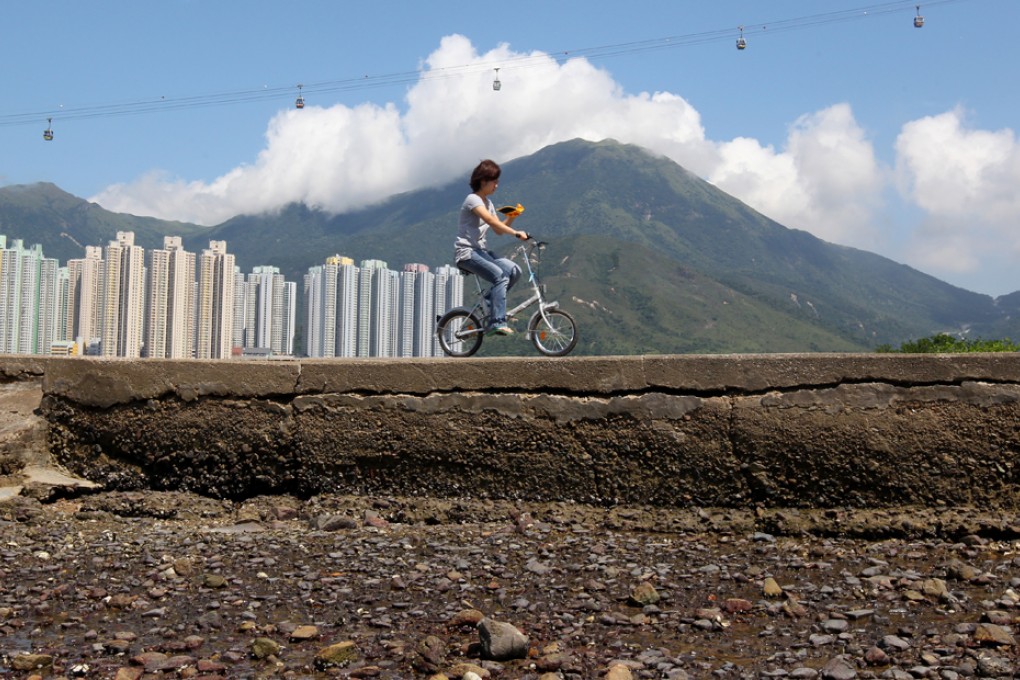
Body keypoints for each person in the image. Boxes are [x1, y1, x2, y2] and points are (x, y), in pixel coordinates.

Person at [454, 159, 529, 335]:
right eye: (494, 181)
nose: (497, 185)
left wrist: (512, 217)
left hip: (481, 252)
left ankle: (489, 304)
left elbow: (497, 229)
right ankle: (497, 321)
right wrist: (516, 233)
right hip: (466, 253)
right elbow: (489, 220)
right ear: (483, 181)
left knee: (514, 270)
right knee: (500, 276)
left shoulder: (488, 204)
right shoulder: (472, 200)